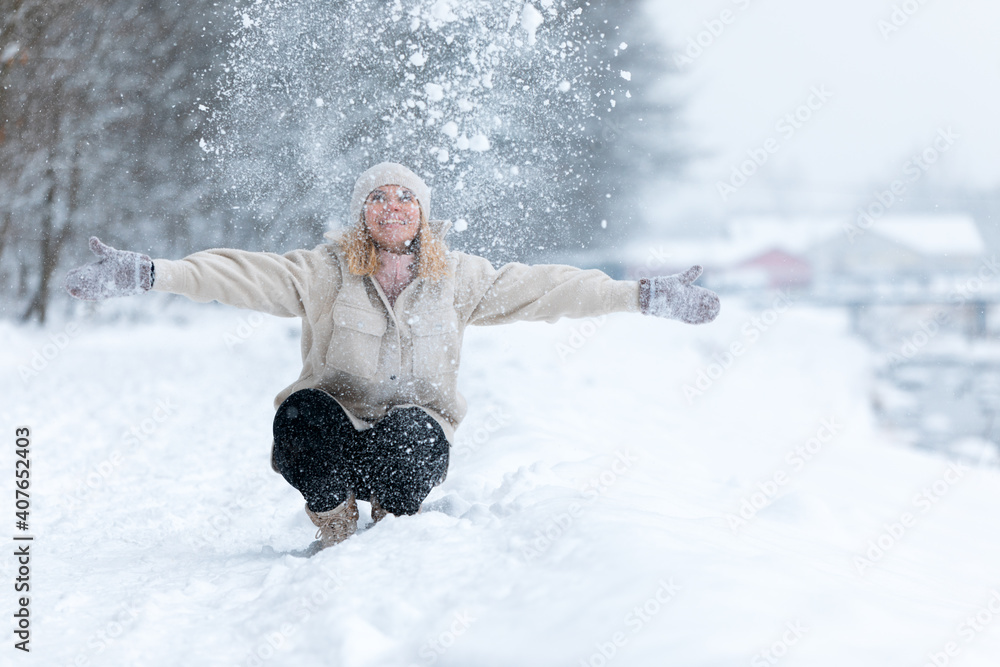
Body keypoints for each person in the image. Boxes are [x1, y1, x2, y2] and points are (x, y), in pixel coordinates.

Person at [64, 162, 720, 549]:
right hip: (336, 421)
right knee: (302, 417)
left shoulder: (459, 277)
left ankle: (395, 533)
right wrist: (155, 272)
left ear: (423, 215)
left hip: (414, 431)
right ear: (362, 215)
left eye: (405, 195)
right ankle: (335, 520)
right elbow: (243, 273)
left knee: (409, 432)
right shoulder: (326, 270)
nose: (392, 204)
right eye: (378, 196)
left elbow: (548, 286)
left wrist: (641, 294)